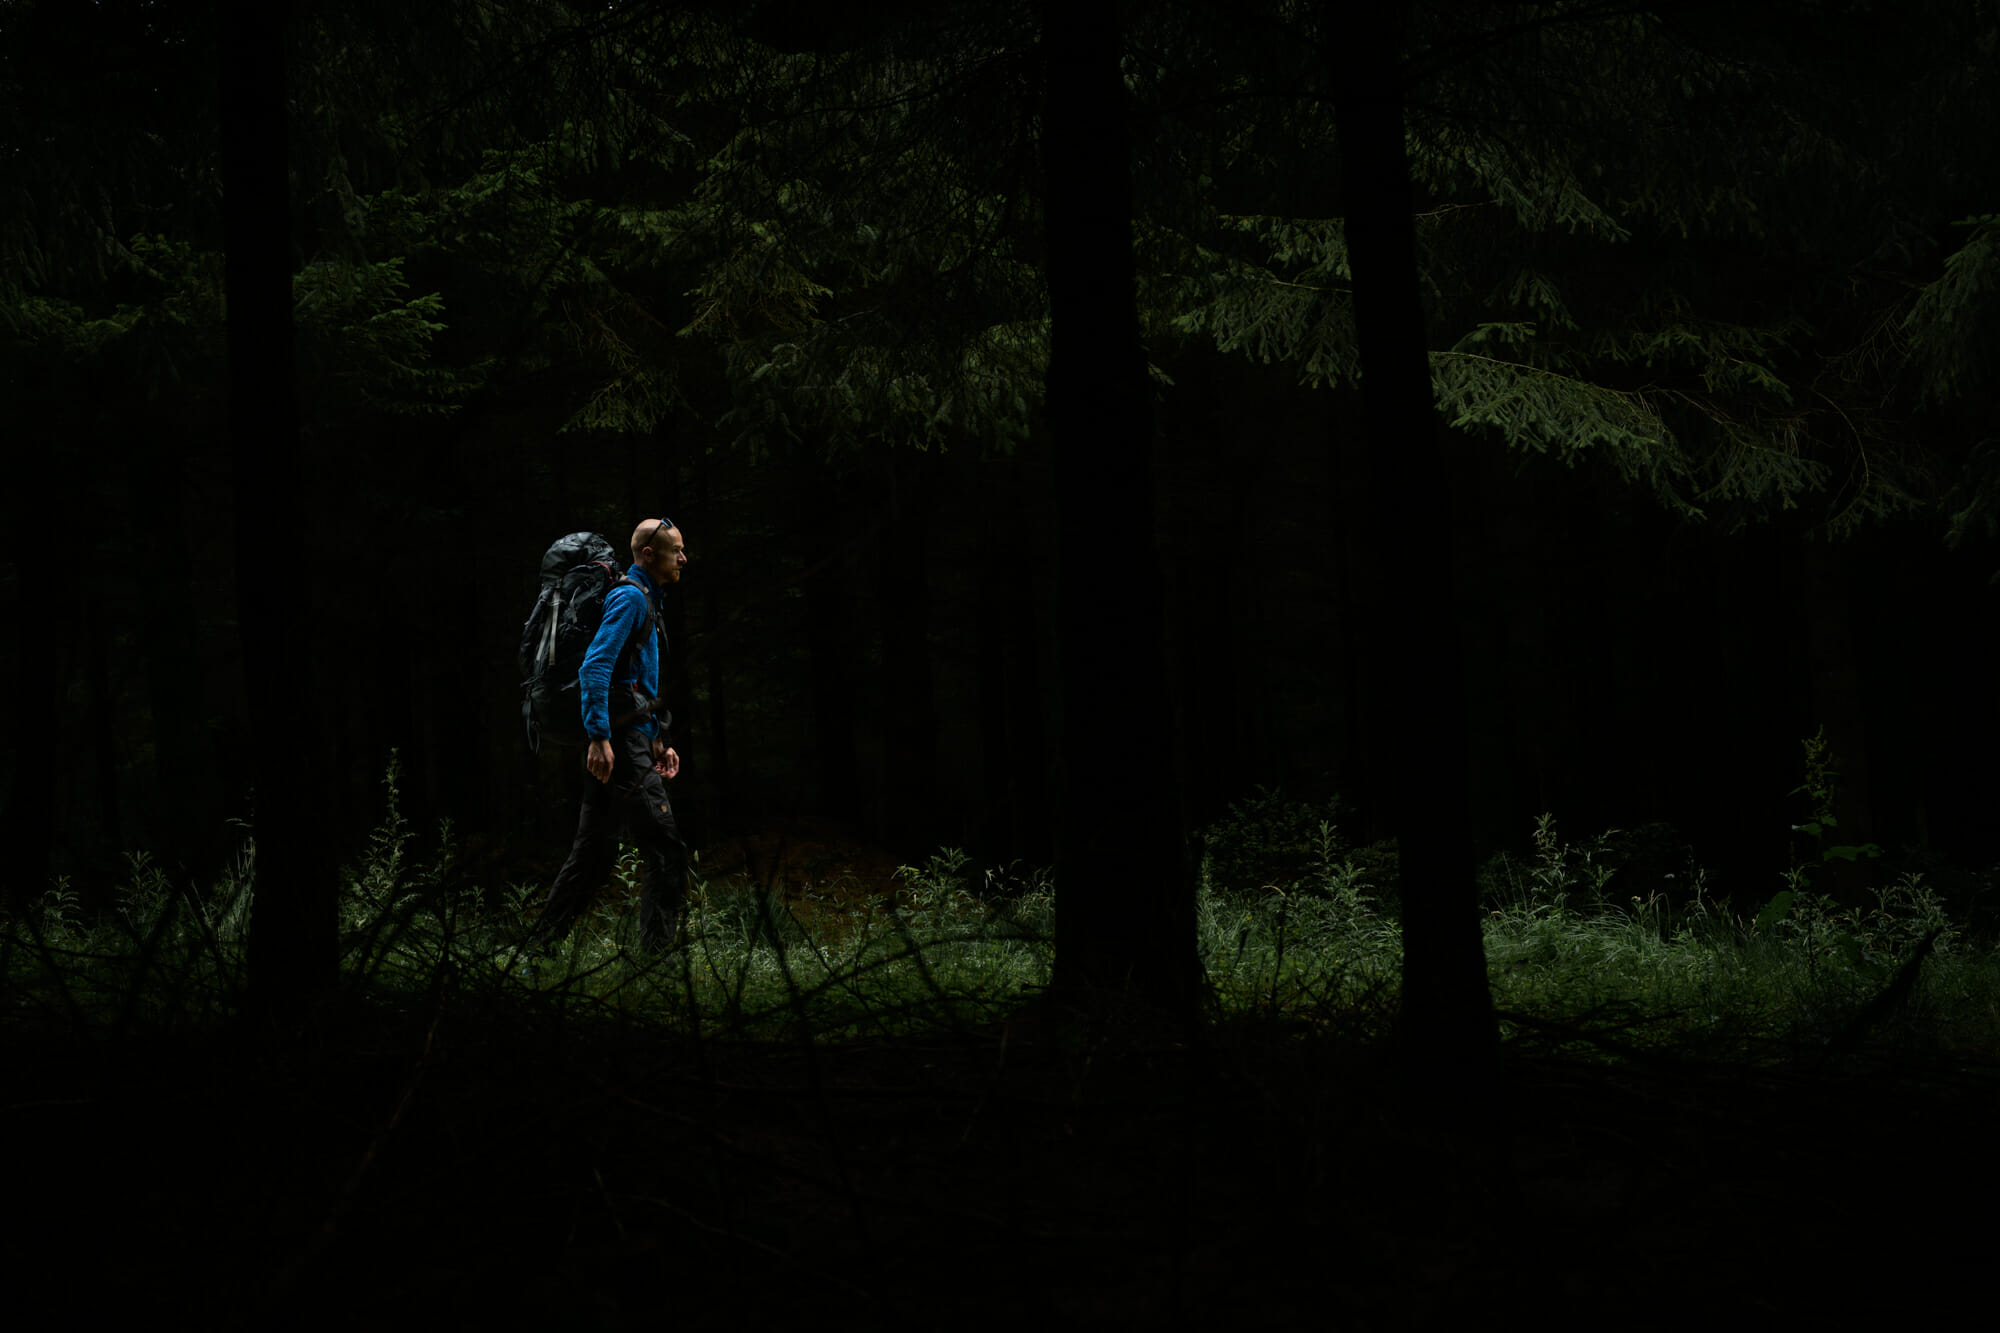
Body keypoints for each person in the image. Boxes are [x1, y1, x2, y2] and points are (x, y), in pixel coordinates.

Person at [528, 517, 690, 955]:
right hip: (620, 745)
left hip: (632, 739)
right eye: (676, 550)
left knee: (592, 857)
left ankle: (539, 949)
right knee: (665, 847)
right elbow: (595, 666)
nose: (683, 558)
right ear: (648, 555)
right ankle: (658, 959)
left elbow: (638, 681)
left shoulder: (647, 600)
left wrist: (660, 737)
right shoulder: (629, 599)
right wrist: (600, 737)